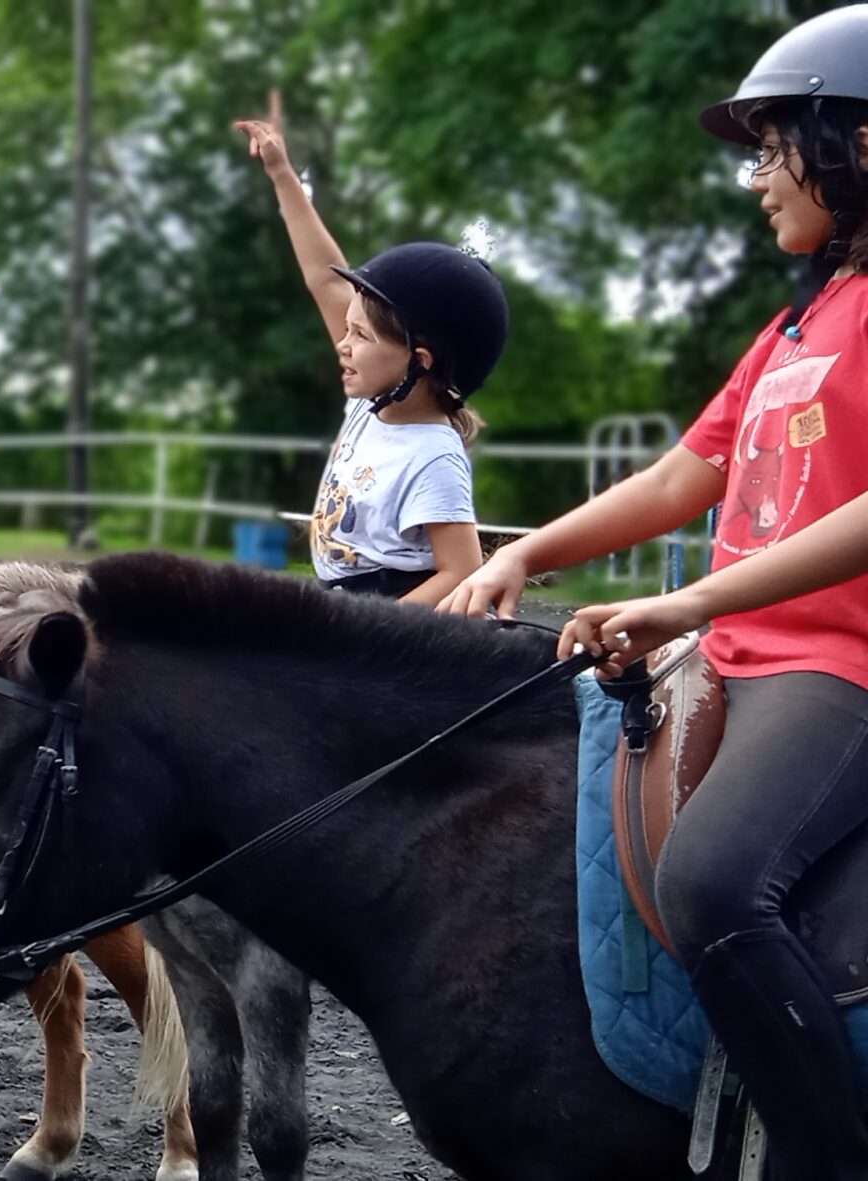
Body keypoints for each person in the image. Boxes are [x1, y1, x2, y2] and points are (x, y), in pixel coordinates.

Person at [442, 9, 868, 1175]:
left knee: (715, 878)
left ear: (860, 145)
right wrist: (524, 553)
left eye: (772, 150)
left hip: (838, 661)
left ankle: (825, 1155)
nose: (755, 179)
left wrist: (690, 603)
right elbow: (685, 474)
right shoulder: (795, 324)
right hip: (741, 648)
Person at [237, 93, 507, 604]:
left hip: (385, 615)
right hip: (343, 606)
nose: (342, 344)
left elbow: (461, 572)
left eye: (360, 336)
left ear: (418, 363)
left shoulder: (432, 455)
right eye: (349, 329)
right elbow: (324, 277)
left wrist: (366, 635)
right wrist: (282, 174)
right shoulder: (372, 402)